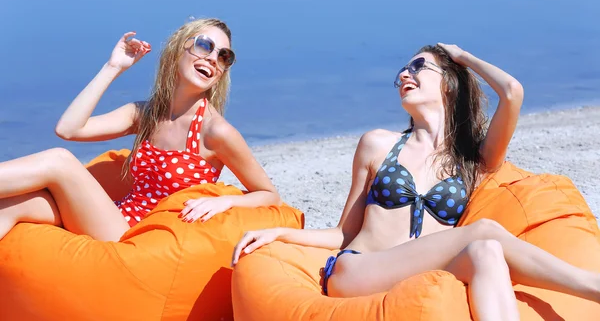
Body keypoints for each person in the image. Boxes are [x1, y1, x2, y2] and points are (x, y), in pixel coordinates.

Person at [232, 43, 600, 321]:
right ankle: (590, 287)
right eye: (402, 71)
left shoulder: (472, 161)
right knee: (484, 232)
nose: (405, 75)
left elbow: (512, 92)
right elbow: (344, 233)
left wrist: (464, 58)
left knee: (486, 252)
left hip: (424, 273)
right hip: (359, 269)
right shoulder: (378, 144)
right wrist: (279, 234)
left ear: (450, 86)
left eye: (419, 67)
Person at [0, 18, 280, 242]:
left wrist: (226, 202)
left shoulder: (215, 131)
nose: (212, 58)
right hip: (117, 217)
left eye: (224, 56)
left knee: (59, 161)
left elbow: (268, 194)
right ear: (178, 49)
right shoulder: (145, 114)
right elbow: (69, 128)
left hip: (140, 240)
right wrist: (113, 67)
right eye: (205, 46)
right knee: (12, 206)